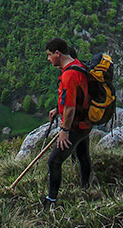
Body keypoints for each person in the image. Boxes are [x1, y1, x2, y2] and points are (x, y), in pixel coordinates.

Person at [42, 38, 92, 210]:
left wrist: (64, 130)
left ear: (57, 54)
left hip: (74, 126)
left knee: (54, 161)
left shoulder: (69, 75)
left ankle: (51, 201)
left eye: (49, 55)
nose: (48, 59)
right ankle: (86, 188)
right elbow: (74, 97)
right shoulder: (77, 65)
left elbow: (70, 108)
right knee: (83, 155)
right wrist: (58, 109)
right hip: (85, 123)